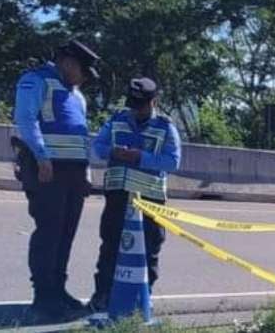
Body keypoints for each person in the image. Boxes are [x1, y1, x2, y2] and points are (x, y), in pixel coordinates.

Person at [13, 39, 100, 320]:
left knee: (66, 234)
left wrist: (86, 172)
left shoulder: (77, 95)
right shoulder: (36, 80)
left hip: (74, 172)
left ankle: (58, 289)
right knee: (49, 233)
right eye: (82, 72)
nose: (83, 79)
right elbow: (26, 119)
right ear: (68, 63)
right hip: (47, 169)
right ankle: (44, 297)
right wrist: (41, 156)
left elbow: (81, 136)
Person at [88, 77, 181, 312]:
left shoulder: (165, 127)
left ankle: (142, 301)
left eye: (141, 106)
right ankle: (102, 296)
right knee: (110, 246)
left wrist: (141, 157)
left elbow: (173, 161)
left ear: (153, 102)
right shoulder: (117, 120)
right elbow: (97, 148)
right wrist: (113, 152)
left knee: (148, 250)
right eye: (133, 105)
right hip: (118, 196)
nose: (136, 110)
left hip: (149, 201)